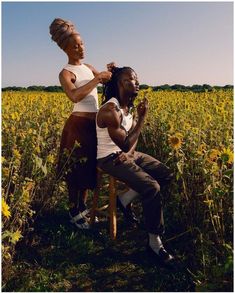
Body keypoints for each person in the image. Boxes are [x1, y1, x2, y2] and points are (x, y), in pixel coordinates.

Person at [96, 66, 175, 266]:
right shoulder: (110, 111)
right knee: (151, 187)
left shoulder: (128, 106)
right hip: (109, 158)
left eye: (137, 79)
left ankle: (124, 198)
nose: (136, 82)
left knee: (166, 174)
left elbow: (130, 143)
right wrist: (142, 119)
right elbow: (124, 142)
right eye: (131, 80)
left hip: (126, 154)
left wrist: (130, 154)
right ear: (119, 84)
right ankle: (154, 242)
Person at [49, 18, 112, 229]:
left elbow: (108, 82)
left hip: (93, 126)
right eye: (75, 46)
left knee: (87, 167)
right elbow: (74, 96)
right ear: (66, 49)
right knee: (74, 171)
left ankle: (83, 206)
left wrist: (112, 72)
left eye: (82, 43)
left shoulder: (89, 67)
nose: (80, 48)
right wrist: (97, 79)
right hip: (76, 127)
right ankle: (73, 210)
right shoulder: (66, 73)